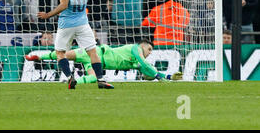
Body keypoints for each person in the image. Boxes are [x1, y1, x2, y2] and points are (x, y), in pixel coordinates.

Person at [37, 0, 114, 89]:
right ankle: (100, 79)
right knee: (92, 52)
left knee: (60, 53)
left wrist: (48, 15)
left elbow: (64, 4)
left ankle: (69, 77)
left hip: (66, 24)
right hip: (83, 23)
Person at [26, 39, 183, 84]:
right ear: (143, 45)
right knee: (65, 54)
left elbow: (148, 72)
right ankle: (40, 56)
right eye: (149, 49)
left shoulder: (136, 62)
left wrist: (167, 77)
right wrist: (161, 77)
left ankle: (72, 82)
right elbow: (146, 66)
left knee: (95, 78)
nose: (149, 53)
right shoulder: (135, 48)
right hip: (94, 52)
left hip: (96, 63)